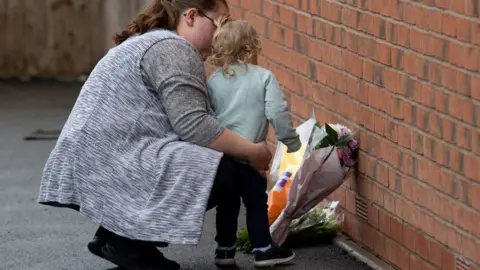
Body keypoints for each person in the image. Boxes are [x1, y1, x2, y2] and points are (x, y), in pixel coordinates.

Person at [37, 0, 293, 269]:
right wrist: (253, 152)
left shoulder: (153, 40)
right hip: (112, 158)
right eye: (221, 23)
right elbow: (194, 125)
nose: (223, 34)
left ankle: (118, 236)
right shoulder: (172, 48)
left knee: (215, 160)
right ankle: (129, 245)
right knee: (227, 172)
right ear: (192, 16)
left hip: (102, 154)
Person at [206, 19, 300, 268]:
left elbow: (207, 117)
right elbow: (278, 113)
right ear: (251, 48)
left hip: (224, 156)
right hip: (251, 156)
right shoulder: (263, 78)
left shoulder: (213, 82)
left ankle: (224, 251)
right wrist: (291, 142)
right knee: (255, 203)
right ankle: (263, 249)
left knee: (227, 205)